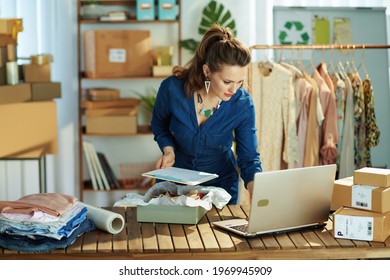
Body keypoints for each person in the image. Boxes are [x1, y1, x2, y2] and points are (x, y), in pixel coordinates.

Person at [151, 24, 262, 204]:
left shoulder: (242, 103)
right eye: (227, 81)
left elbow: (248, 157)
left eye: (240, 82)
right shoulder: (172, 89)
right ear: (207, 71)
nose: (234, 89)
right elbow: (159, 123)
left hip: (221, 189)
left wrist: (255, 187)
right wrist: (168, 150)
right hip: (174, 185)